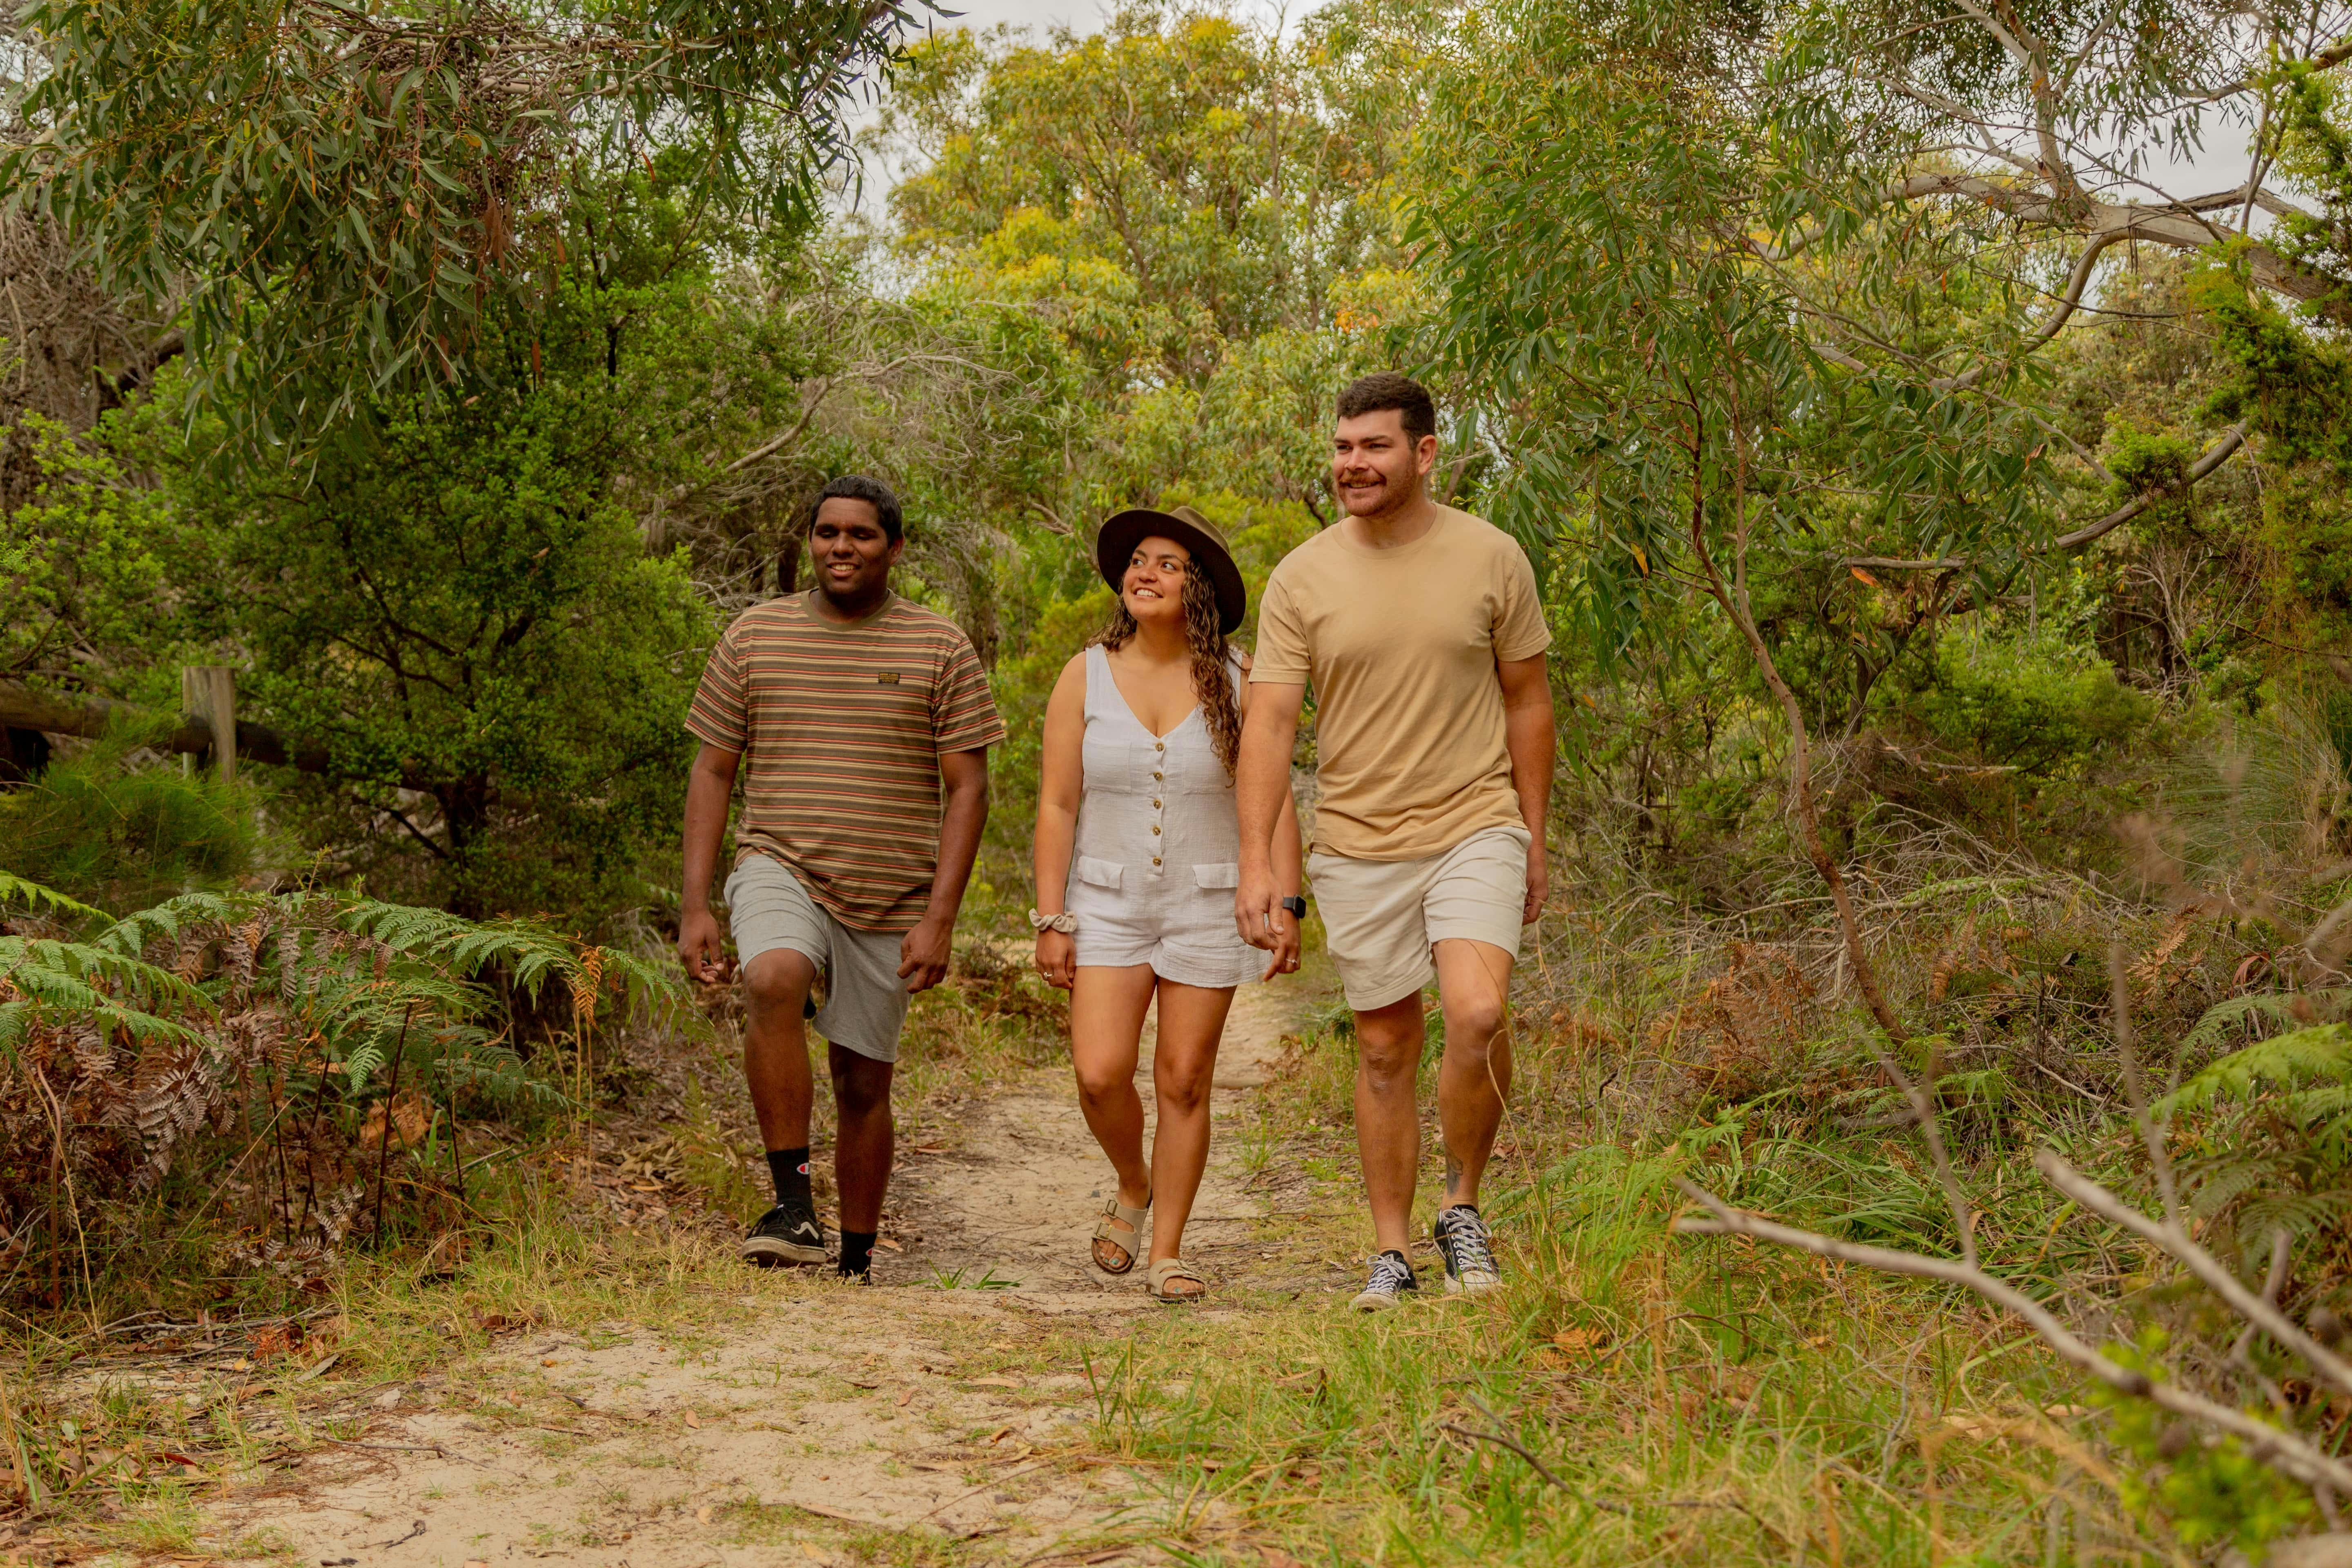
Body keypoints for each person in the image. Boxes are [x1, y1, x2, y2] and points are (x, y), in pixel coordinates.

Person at [1233, 373, 1557, 1311]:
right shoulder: (1303, 575)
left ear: (1423, 453)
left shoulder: (1494, 558)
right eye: (1342, 448)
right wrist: (1259, 861)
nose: (1352, 465)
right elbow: (1270, 724)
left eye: (1373, 447)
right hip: (1358, 840)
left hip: (1475, 820)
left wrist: (1533, 835)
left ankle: (1462, 1210)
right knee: (1383, 1046)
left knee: (1478, 1013)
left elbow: (1529, 698)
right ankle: (1389, 1250)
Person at [678, 474, 1004, 1281]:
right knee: (773, 975)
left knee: (863, 1082)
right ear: (810, 543)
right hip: (778, 861)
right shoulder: (755, 637)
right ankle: (792, 1206)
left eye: (860, 535)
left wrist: (941, 918)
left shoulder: (939, 647)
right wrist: (694, 904)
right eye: (827, 534)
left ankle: (856, 1258)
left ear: (894, 548)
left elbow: (969, 788)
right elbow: (713, 771)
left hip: (891, 891)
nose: (841, 548)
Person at [1032, 506, 1303, 1304]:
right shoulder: (1084, 673)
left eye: (1168, 564)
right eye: (1138, 561)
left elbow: (1277, 799)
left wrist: (1285, 903)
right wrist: (1052, 918)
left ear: (1201, 591)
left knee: (1185, 1079)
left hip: (1207, 901)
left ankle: (1170, 1250)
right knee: (1099, 1073)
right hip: (1107, 903)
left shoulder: (1239, 678)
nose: (1145, 572)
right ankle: (1133, 1180)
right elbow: (1055, 805)